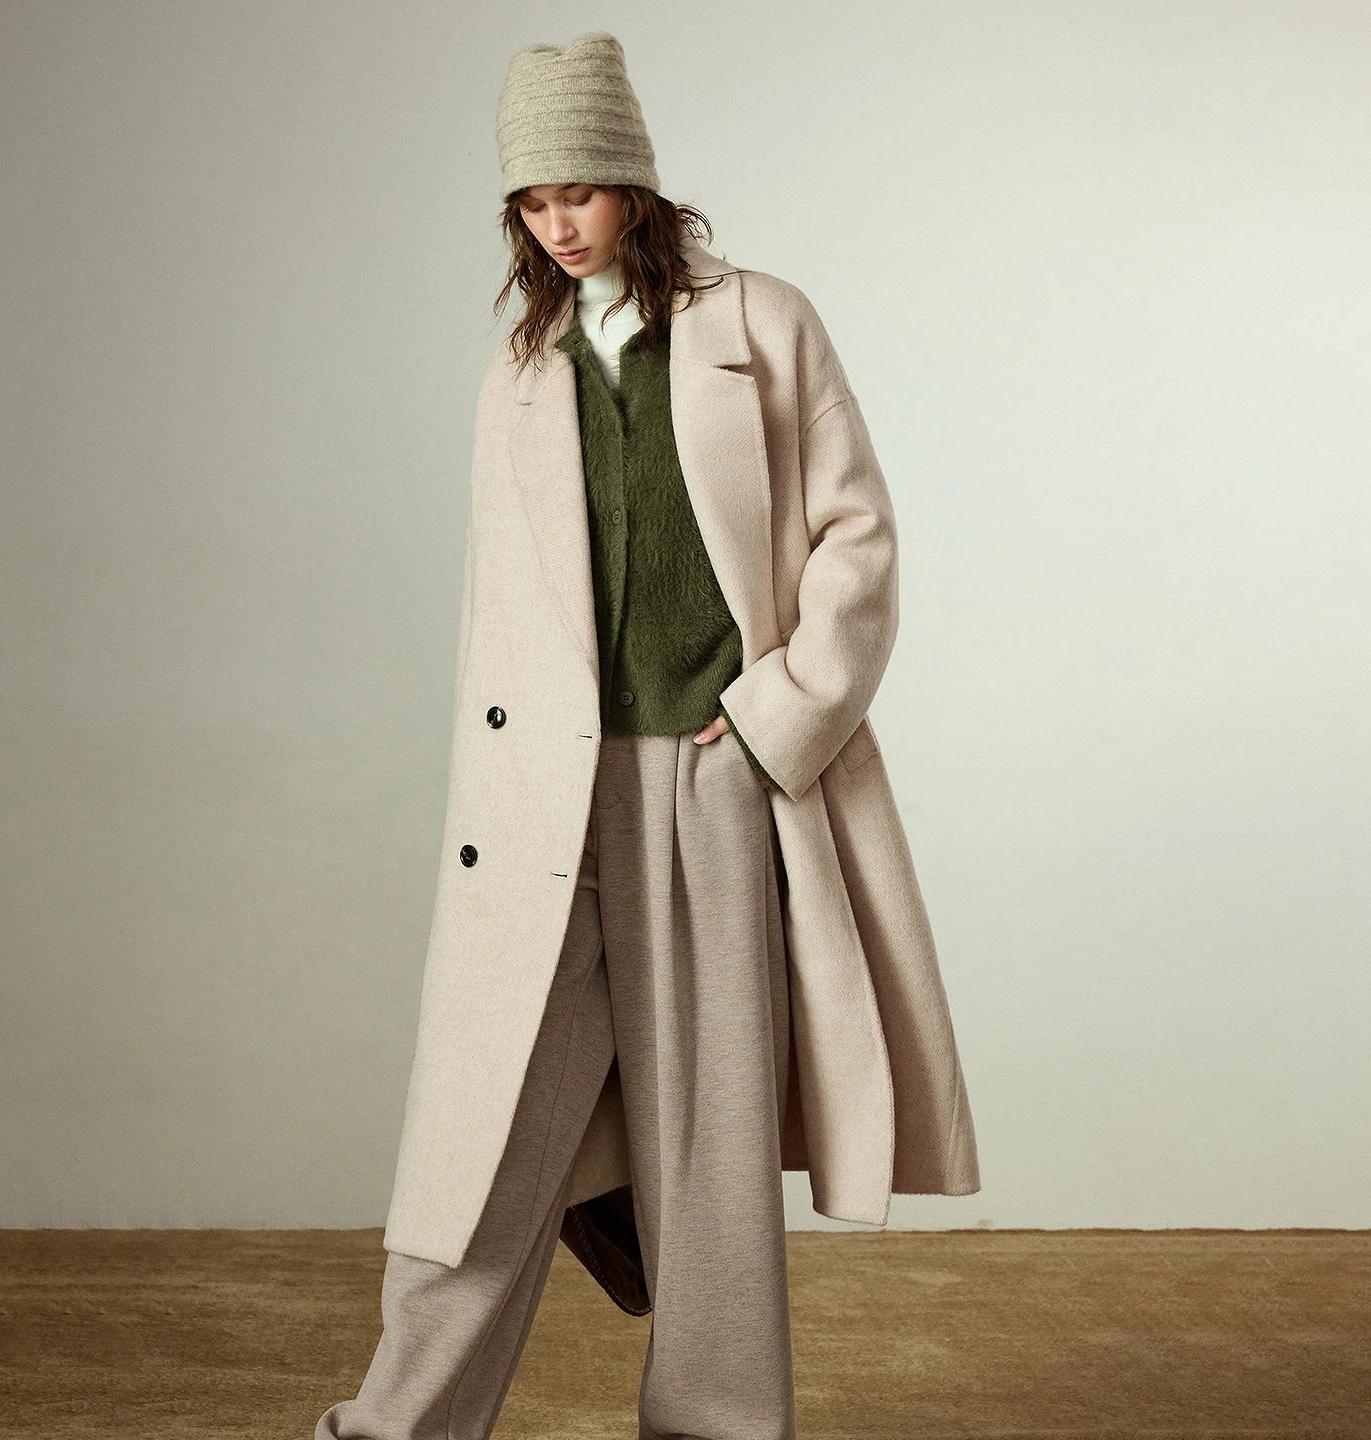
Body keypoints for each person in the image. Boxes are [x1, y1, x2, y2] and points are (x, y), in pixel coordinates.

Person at [315, 28, 980, 1440]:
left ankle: (717, 1424)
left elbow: (858, 537)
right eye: (531, 199)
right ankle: (394, 1427)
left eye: (579, 190)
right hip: (546, 804)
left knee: (708, 1146)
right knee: (481, 1144)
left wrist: (773, 715)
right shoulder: (521, 369)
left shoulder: (764, 324)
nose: (557, 223)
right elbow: (502, 620)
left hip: (712, 775)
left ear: (634, 181)